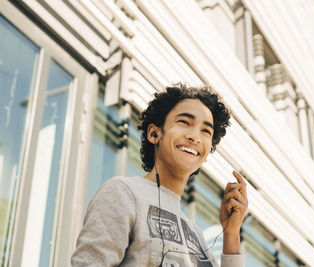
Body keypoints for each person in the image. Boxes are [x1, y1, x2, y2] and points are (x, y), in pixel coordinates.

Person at [71, 84, 248, 266]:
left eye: (205, 131)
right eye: (184, 122)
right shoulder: (123, 192)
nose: (195, 137)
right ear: (154, 133)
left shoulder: (197, 235)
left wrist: (231, 234)